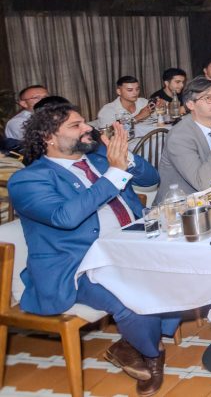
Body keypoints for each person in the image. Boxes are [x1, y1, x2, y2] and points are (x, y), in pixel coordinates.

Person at [10, 105, 171, 396]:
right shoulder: (28, 179)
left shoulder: (99, 158)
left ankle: (130, 343)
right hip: (76, 264)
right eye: (76, 125)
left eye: (84, 122)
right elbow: (65, 217)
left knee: (185, 268)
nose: (88, 128)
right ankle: (152, 352)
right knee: (133, 295)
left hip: (131, 245)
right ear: (48, 137)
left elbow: (150, 179)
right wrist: (115, 173)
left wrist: (125, 157)